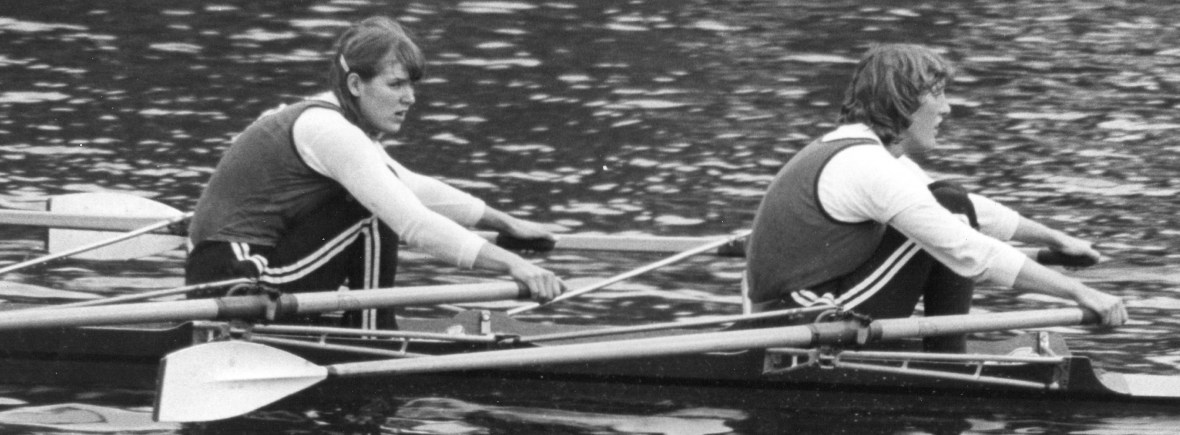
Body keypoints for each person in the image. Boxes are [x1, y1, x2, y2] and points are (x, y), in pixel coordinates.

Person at [185, 16, 565, 329]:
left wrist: (506, 222)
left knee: (375, 201)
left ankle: (370, 322)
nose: (409, 98)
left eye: (411, 85)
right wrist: (516, 265)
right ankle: (372, 332)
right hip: (235, 285)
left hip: (246, 271)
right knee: (370, 211)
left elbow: (407, 186)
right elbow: (414, 224)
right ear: (355, 84)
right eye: (396, 84)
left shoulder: (331, 119)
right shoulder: (329, 131)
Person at [745, 44, 1126, 351]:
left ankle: (947, 352)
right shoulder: (866, 164)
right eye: (937, 95)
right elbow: (969, 249)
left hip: (805, 305)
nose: (946, 108)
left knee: (950, 200)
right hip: (797, 324)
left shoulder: (867, 151)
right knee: (948, 219)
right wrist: (1080, 292)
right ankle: (949, 359)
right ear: (903, 101)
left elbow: (972, 208)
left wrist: (1055, 240)